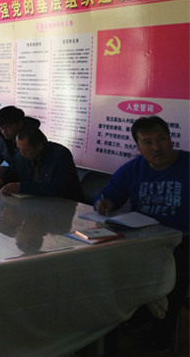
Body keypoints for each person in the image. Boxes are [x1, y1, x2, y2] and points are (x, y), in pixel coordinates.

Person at [94, 116, 189, 352]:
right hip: (141, 239)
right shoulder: (132, 169)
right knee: (113, 269)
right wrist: (104, 203)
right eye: (147, 142)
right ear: (137, 146)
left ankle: (163, 332)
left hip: (182, 239)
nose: (156, 147)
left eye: (161, 139)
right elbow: (107, 195)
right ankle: (137, 316)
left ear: (170, 139)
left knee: (174, 275)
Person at [0, 126, 84, 202]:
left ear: (39, 146)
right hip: (33, 203)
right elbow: (13, 169)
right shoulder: (21, 154)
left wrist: (21, 187)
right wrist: (2, 178)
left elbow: (58, 189)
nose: (22, 154)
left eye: (26, 150)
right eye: (19, 149)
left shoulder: (60, 155)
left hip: (63, 205)